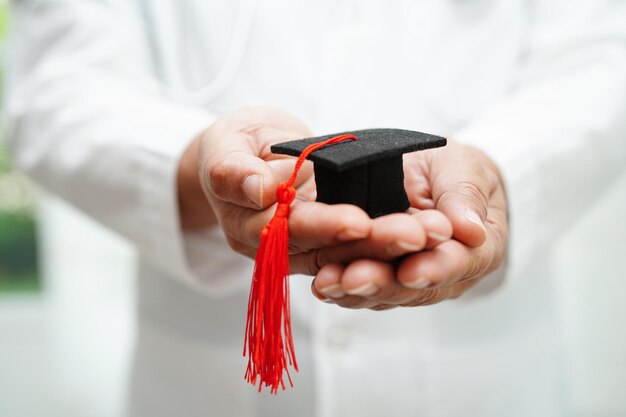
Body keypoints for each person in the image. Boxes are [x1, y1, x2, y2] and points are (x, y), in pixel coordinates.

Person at [6, 0, 626, 416]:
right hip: (207, 384)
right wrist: (200, 167)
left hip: (486, 381)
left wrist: (500, 168)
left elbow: (602, 58)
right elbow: (59, 86)